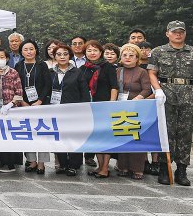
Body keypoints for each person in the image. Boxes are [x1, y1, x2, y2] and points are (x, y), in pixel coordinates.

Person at [148, 21, 193, 186]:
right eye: (174, 32)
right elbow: (152, 73)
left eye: (181, 32)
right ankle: (164, 168)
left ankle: (182, 169)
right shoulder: (158, 52)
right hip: (166, 94)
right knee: (165, 132)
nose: (178, 34)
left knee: (185, 133)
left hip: (188, 94)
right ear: (167, 33)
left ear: (185, 33)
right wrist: (157, 90)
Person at [79, 40, 118, 177]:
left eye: (95, 50)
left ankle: (105, 168)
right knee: (95, 137)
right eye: (89, 50)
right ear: (85, 53)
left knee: (105, 137)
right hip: (89, 107)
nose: (92, 53)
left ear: (100, 52)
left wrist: (112, 103)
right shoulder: (83, 69)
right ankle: (100, 166)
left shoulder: (108, 67)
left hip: (105, 106)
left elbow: (114, 86)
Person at [50, 43, 89, 176]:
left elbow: (84, 92)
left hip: (74, 111)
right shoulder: (51, 72)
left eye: (65, 54)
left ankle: (73, 165)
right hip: (56, 110)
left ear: (70, 56)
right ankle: (62, 164)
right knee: (59, 137)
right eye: (59, 54)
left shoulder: (77, 72)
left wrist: (84, 109)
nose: (62, 57)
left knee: (73, 137)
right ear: (54, 57)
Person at [114, 43, 152, 180]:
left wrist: (138, 98)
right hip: (120, 108)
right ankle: (123, 166)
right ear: (121, 57)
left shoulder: (142, 72)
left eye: (131, 55)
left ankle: (137, 169)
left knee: (137, 138)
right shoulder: (117, 71)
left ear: (137, 58)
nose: (128, 58)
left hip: (137, 108)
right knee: (123, 137)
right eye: (125, 55)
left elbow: (147, 89)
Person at [15, 39, 52, 174]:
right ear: (21, 52)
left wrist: (40, 100)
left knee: (42, 132)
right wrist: (22, 101)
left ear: (36, 50)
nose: (29, 51)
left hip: (41, 104)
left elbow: (48, 85)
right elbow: (16, 86)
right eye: (25, 49)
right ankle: (32, 161)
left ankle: (41, 163)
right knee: (27, 133)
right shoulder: (18, 66)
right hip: (23, 104)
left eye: (31, 49)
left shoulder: (42, 66)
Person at [0, 48, 24, 173]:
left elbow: (19, 92)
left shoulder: (13, 72)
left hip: (11, 108)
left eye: (2, 57)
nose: (0, 60)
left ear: (7, 59)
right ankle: (1, 161)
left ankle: (10, 164)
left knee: (9, 135)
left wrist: (10, 104)